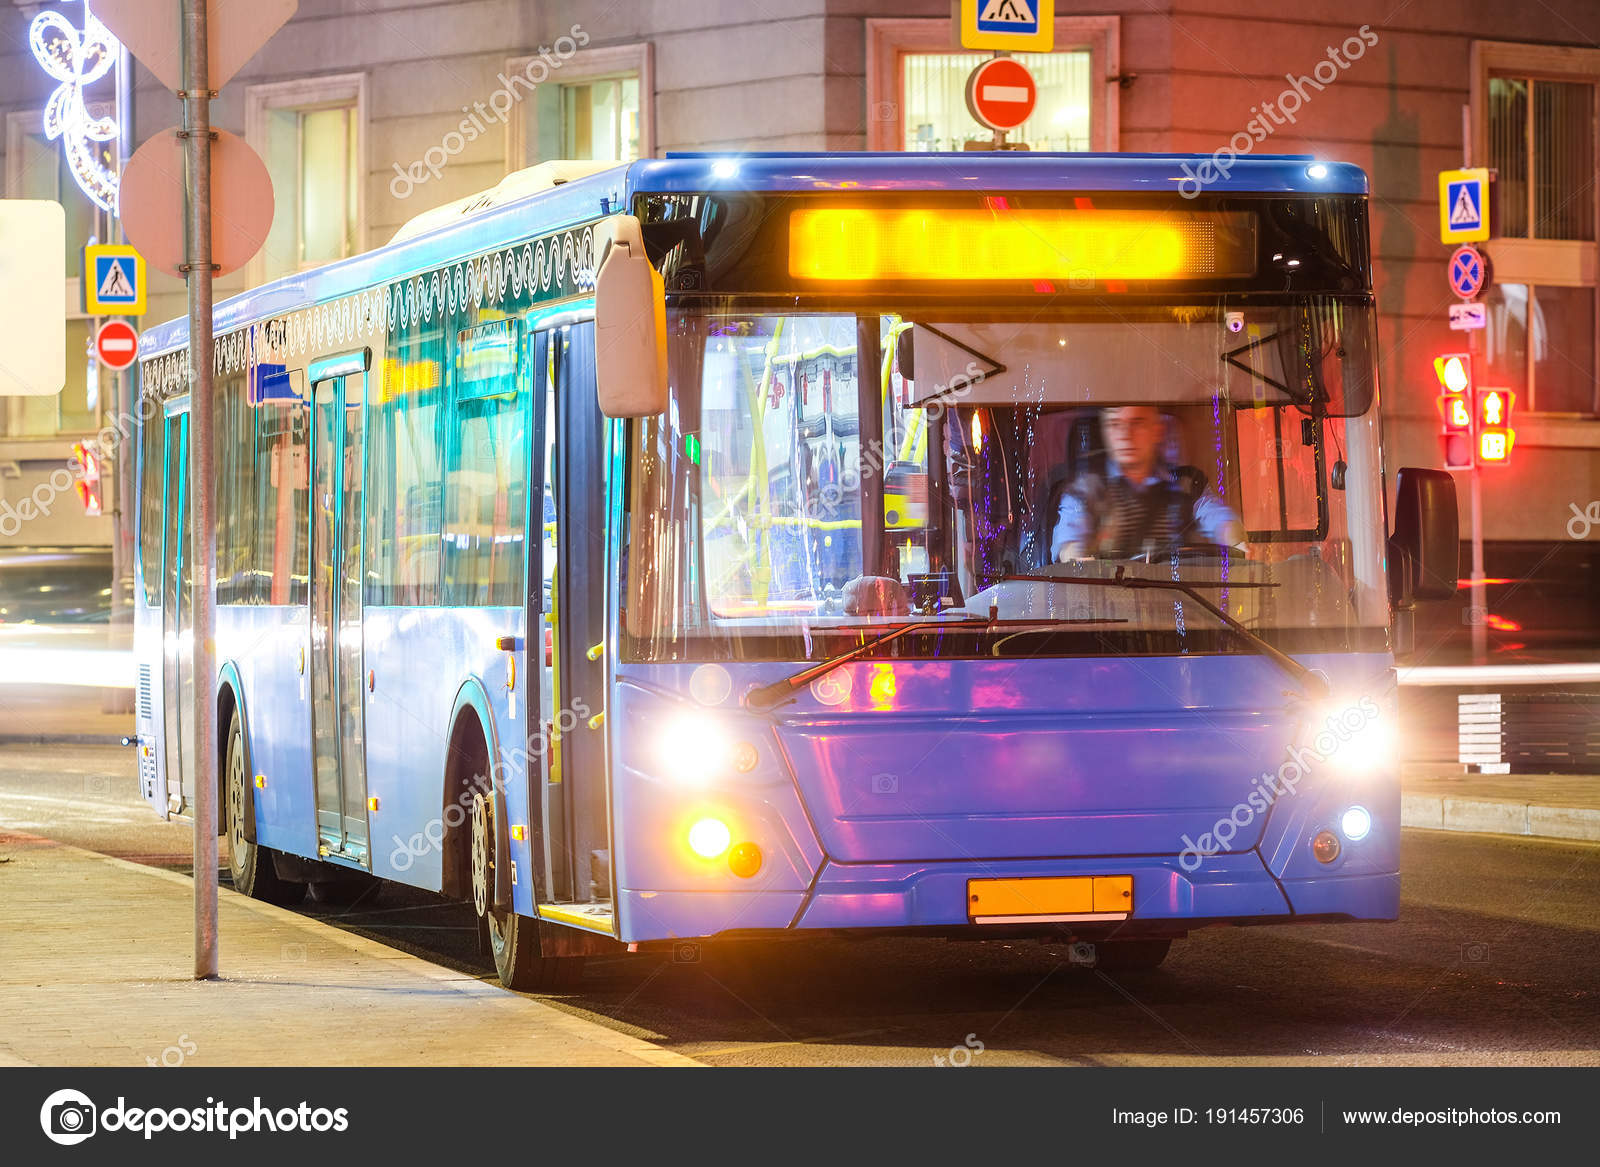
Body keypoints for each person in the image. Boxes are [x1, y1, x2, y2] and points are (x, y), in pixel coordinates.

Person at [1051, 404, 1246, 562]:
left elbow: (1220, 519)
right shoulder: (1084, 490)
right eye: (1115, 424)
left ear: (1157, 431)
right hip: (1108, 597)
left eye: (1137, 423)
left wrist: (1238, 543)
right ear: (1105, 431)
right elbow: (1069, 541)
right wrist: (1077, 558)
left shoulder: (1187, 483)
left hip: (1183, 594)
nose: (1125, 435)